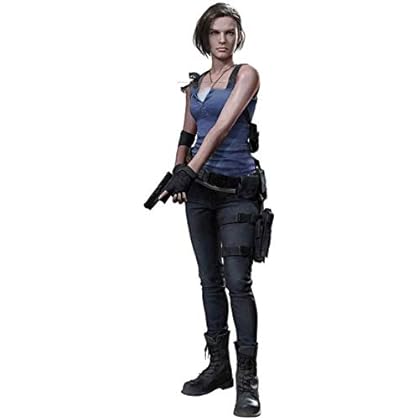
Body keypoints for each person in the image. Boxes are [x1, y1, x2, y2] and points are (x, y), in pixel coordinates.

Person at [158, 3, 264, 417]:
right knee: (209, 280)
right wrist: (178, 171)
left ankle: (248, 379)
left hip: (238, 192)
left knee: (238, 282)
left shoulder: (246, 75)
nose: (223, 39)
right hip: (200, 195)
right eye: (216, 33)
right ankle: (219, 367)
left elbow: (220, 129)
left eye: (230, 32)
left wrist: (188, 172)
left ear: (237, 36)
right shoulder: (194, 85)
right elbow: (188, 133)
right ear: (204, 37)